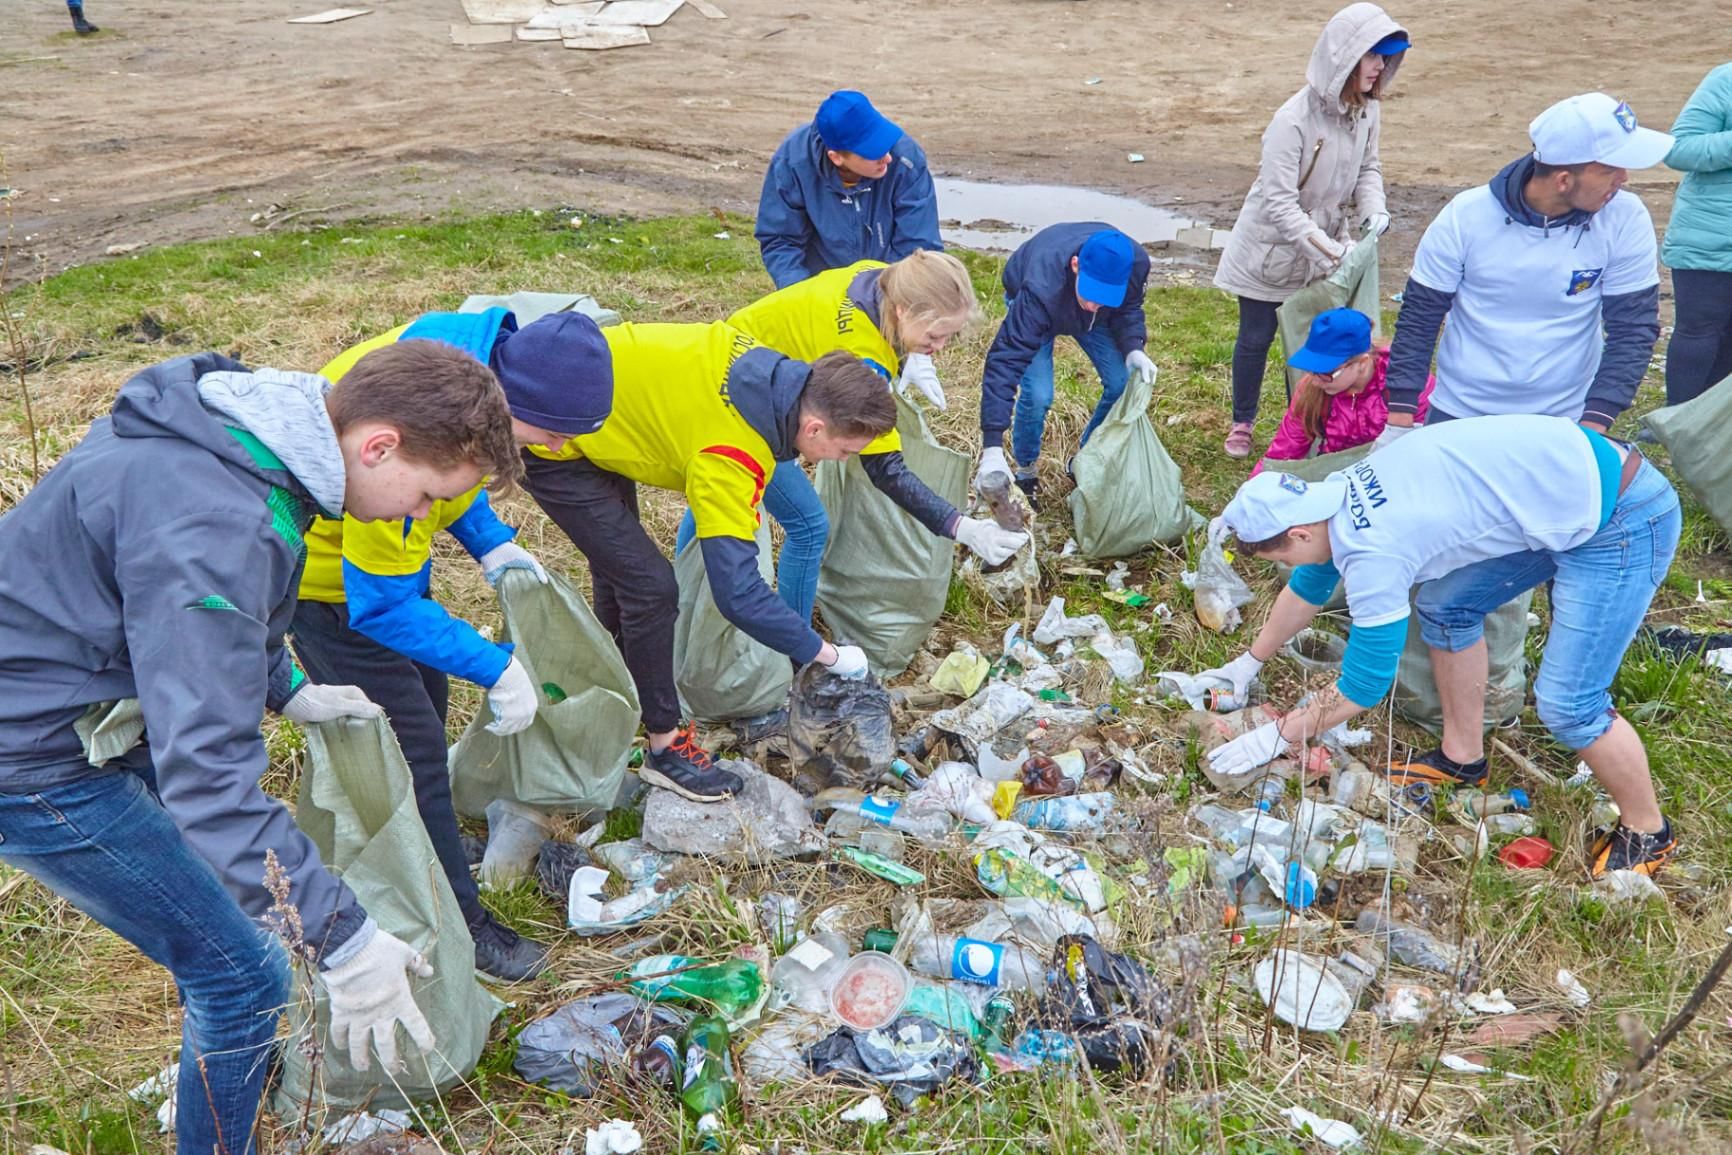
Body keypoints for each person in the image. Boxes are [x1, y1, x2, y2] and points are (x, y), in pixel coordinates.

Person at [0, 342, 523, 1154]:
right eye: (424, 496)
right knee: (245, 974)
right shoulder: (217, 514)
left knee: (226, 926)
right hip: (30, 752)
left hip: (75, 694)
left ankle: (217, 1064)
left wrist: (283, 682)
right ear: (378, 443)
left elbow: (183, 599)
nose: (415, 520)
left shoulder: (248, 439)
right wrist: (345, 939)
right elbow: (208, 778)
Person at [1198, 415, 1681, 878]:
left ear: (1300, 533)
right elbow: (1309, 584)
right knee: (1447, 607)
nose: (1287, 563)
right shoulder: (1335, 492)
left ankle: (1648, 829)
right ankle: (1463, 758)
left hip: (1623, 515)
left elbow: (1364, 685)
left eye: (1280, 554)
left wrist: (1279, 735)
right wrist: (1249, 662)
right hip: (1562, 489)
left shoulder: (1374, 554)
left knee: (1569, 704)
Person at [292, 308, 607, 983]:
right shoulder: (394, 457)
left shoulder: (458, 382)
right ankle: (462, 926)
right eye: (549, 434)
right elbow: (383, 605)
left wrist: (489, 540)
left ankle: (429, 850)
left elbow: (450, 482)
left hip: (384, 580)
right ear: (510, 403)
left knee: (427, 707)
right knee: (412, 743)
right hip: (332, 596)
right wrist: (495, 666)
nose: (553, 451)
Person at [506, 316, 911, 803]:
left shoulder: (765, 368)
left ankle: (618, 700)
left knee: (622, 574)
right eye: (844, 449)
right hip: (554, 438)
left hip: (600, 418)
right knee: (652, 589)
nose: (840, 460)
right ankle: (665, 748)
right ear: (814, 426)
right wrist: (825, 654)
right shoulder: (732, 451)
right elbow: (738, 593)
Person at [673, 251, 1023, 622]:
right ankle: (798, 652)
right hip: (739, 405)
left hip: (732, 360)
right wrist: (962, 527)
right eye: (935, 336)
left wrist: (912, 355)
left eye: (948, 337)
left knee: (710, 498)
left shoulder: (878, 276)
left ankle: (682, 598)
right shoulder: (862, 355)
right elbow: (885, 468)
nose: (940, 347)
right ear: (903, 310)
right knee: (807, 526)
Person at [1381, 92, 1672, 439]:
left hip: (1566, 417)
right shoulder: (1464, 216)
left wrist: (1595, 422)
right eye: (1610, 169)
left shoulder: (1626, 216)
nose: (1623, 178)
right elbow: (1420, 317)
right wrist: (1399, 417)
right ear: (1563, 180)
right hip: (1461, 411)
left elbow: (1633, 328)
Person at [1214, 3, 1408, 459]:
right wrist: (1328, 252)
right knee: (1257, 335)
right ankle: (1242, 422)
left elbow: (1369, 168)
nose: (1380, 66)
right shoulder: (1291, 121)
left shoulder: (1367, 112)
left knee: (1312, 337)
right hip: (1272, 247)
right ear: (1345, 57)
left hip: (1327, 241)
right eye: (1373, 55)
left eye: (1386, 57)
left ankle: (1305, 419)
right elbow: (1279, 202)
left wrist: (1373, 209)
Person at [975, 223, 1156, 505]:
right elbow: (1005, 361)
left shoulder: (1134, 265)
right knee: (1038, 394)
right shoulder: (1039, 288)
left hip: (1090, 320)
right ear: (1075, 265)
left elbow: (1129, 308)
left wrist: (1134, 347)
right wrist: (992, 446)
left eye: (1106, 297)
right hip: (1043, 302)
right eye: (1093, 293)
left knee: (1121, 382)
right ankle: (1025, 471)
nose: (1096, 304)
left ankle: (1085, 460)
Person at [756, 90, 943, 290]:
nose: (887, 157)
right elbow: (781, 240)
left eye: (885, 144)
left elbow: (919, 247)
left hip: (889, 288)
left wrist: (887, 297)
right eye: (873, 152)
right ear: (836, 157)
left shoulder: (906, 160)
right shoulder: (792, 162)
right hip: (820, 290)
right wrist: (804, 295)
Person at [1251, 307, 1432, 475]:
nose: (1314, 379)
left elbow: (1427, 451)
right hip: (1335, 475)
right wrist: (1252, 493)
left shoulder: (1408, 387)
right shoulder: (1312, 388)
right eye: (1311, 368)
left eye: (1326, 371)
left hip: (1395, 474)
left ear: (1362, 362)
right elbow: (1284, 451)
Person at [1661, 62, 1732, 406]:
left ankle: (1715, 427)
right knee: (1700, 330)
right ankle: (1677, 421)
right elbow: (1679, 149)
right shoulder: (1726, 80)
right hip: (1712, 235)